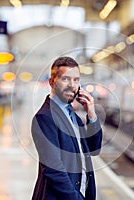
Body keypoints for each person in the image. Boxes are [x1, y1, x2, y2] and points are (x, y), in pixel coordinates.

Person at [31, 56, 103, 200]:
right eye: (65, 79)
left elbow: (94, 149)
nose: (72, 85)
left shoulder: (73, 116)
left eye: (76, 80)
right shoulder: (45, 117)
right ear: (52, 82)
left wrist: (92, 113)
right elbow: (53, 170)